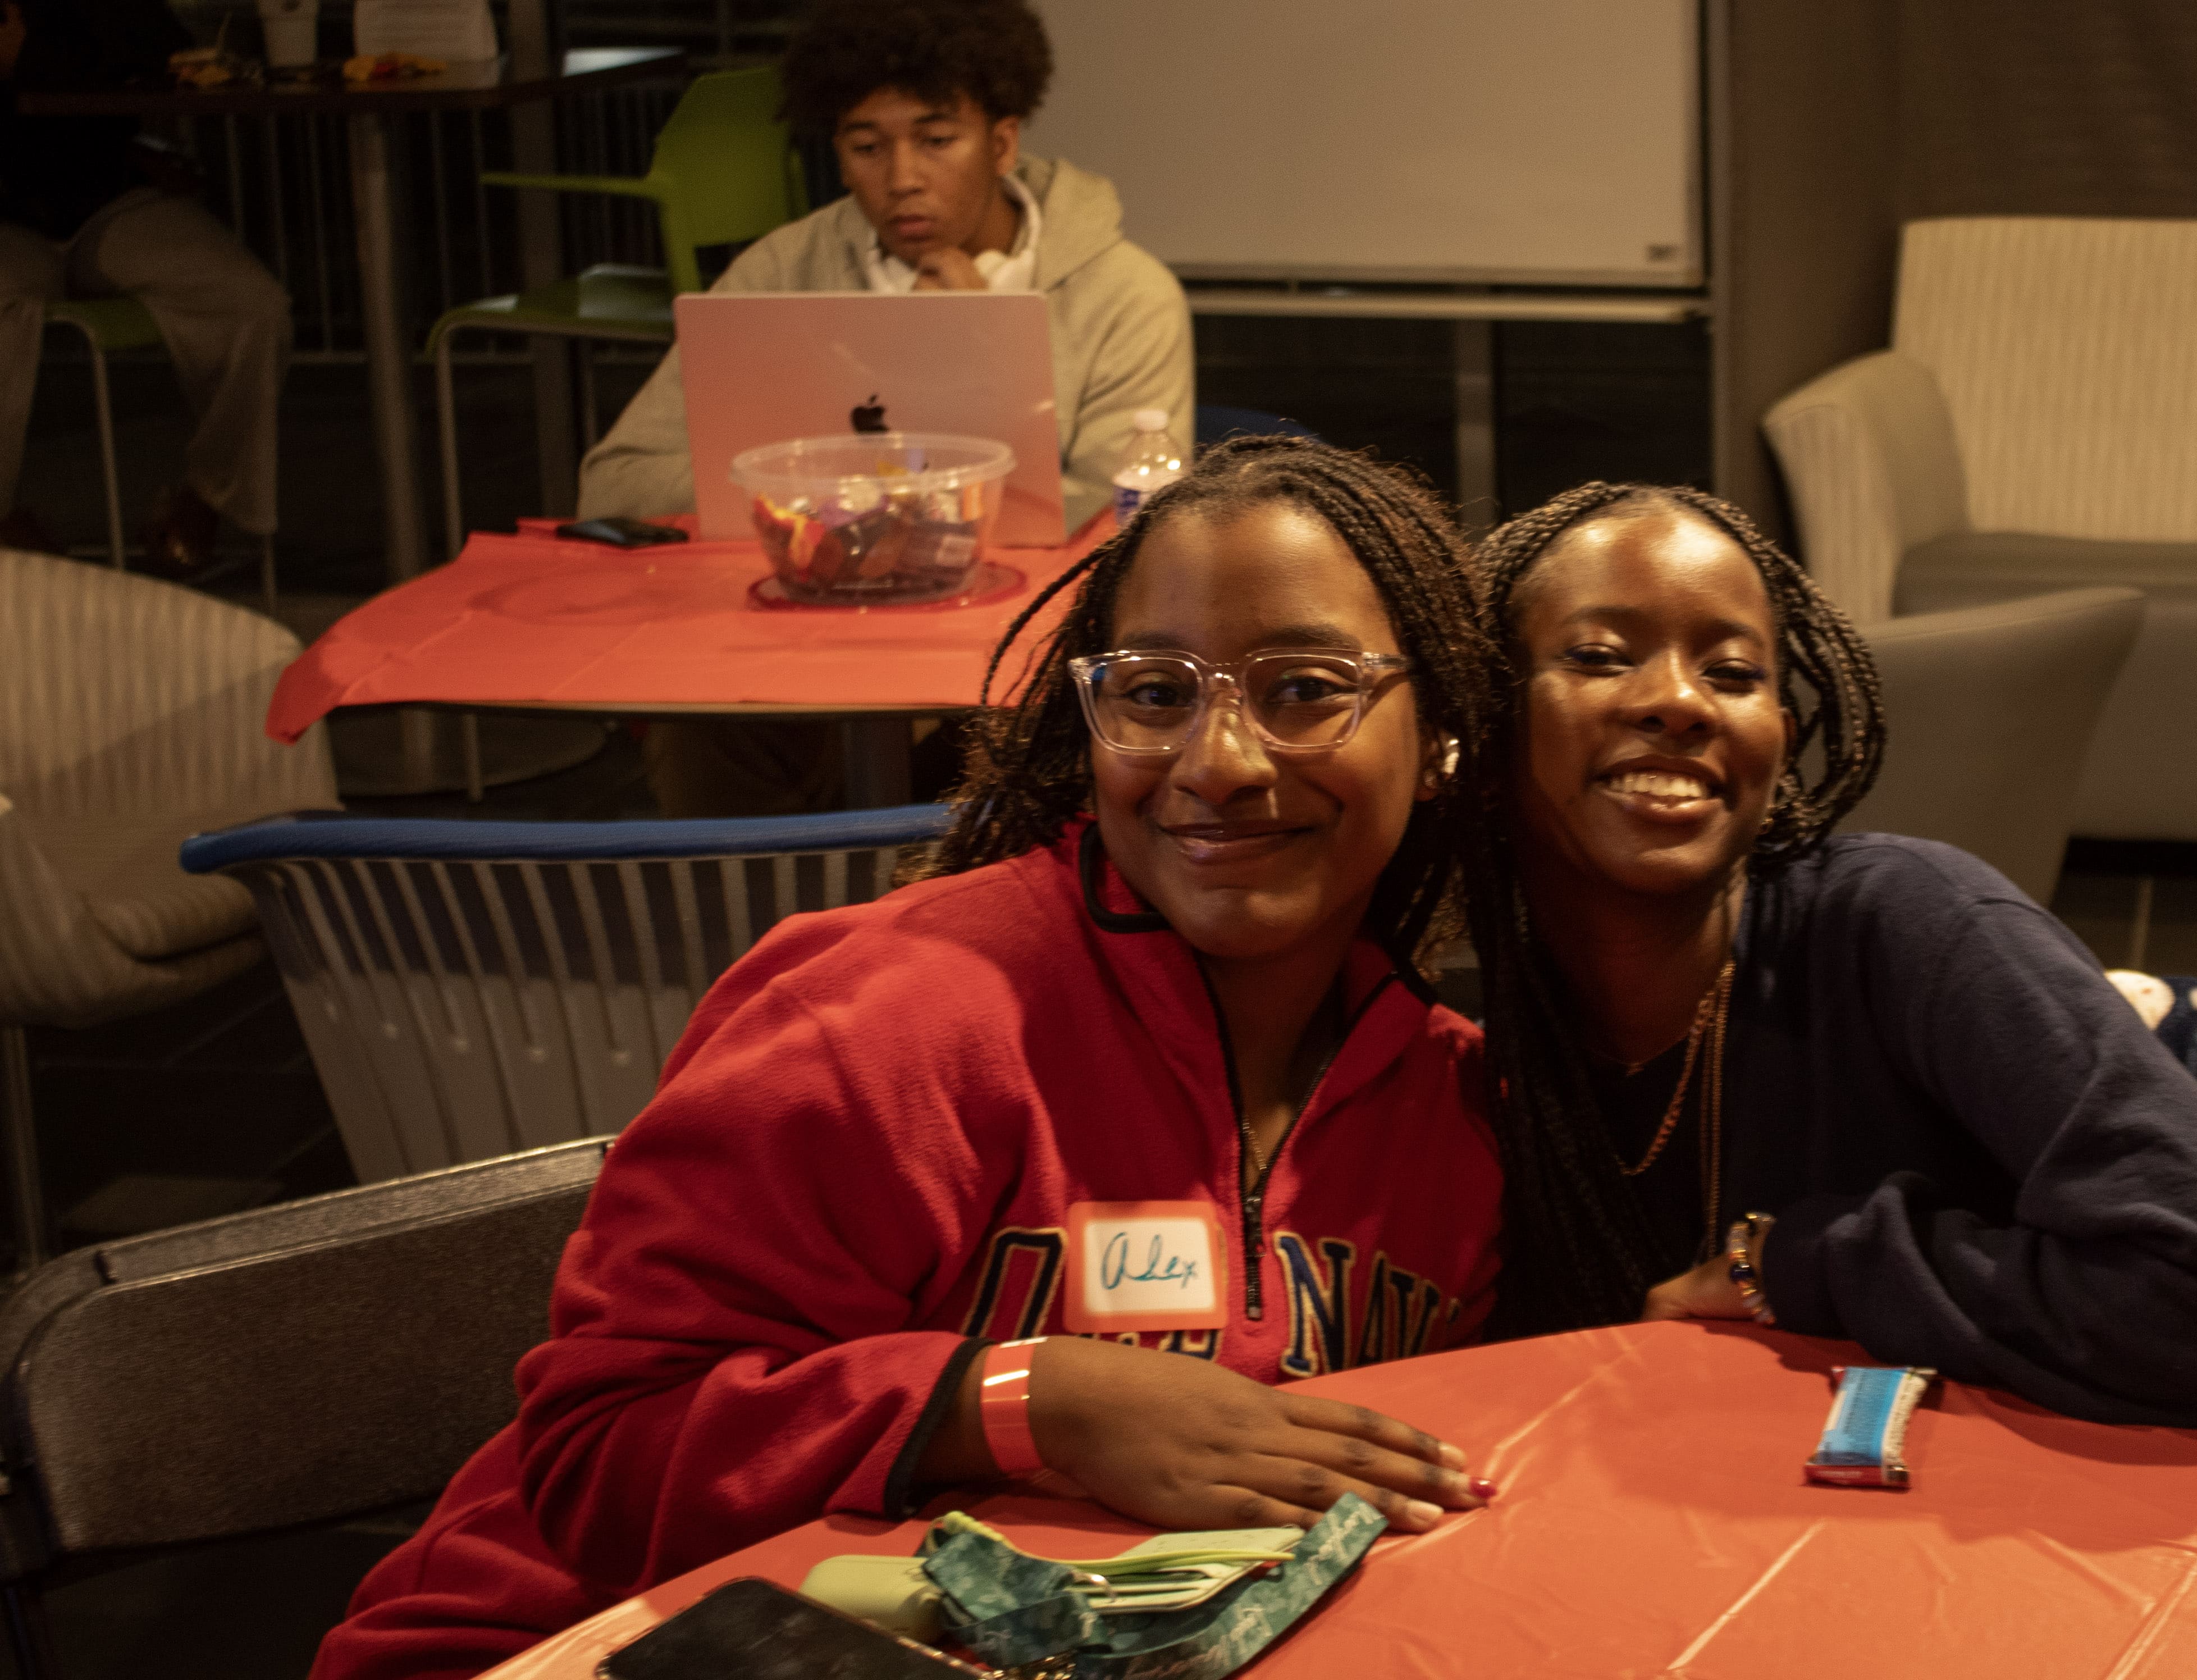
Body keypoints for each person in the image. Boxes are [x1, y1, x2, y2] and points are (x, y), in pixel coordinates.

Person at [316, 439, 1506, 1680]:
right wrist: (1020, 1399)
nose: (1218, 762)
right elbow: (600, 1456)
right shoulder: (898, 1019)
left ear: (1442, 742)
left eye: (1307, 689)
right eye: (1155, 694)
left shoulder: (1454, 1116)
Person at [1469, 482, 2197, 1430]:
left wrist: (1796, 1264)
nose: (1679, 702)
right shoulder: (1482, 1042)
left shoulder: (1914, 919)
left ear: (1780, 744)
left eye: (1730, 673)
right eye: (1599, 656)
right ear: (1484, 719)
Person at [579, 0, 1192, 816]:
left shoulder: (1123, 293)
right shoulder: (784, 272)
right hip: (794, 652)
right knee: (699, 729)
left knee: (1041, 742)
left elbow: (1135, 531)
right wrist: (845, 489)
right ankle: (763, 937)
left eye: (937, 141)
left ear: (1003, 141)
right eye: (867, 146)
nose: (902, 177)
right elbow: (617, 478)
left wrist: (984, 345)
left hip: (1006, 670)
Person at [0, 0, 293, 572]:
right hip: (9, 217)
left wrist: (31, 59)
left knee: (252, 305)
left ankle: (206, 498)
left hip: (105, 193)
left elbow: (160, 54)